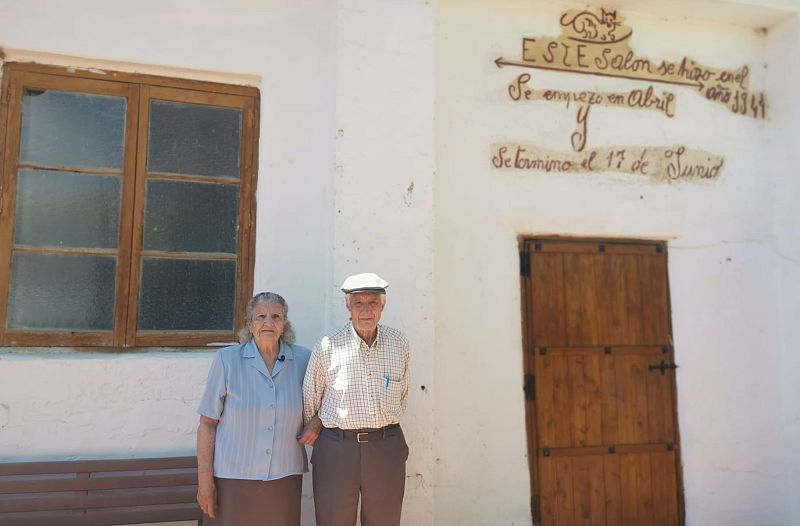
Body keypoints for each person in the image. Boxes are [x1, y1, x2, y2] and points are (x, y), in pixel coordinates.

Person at [298, 272, 410, 526]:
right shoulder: (328, 346)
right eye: (359, 303)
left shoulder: (399, 343)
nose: (366, 310)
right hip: (337, 449)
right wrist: (324, 428)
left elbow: (403, 395)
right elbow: (310, 401)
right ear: (348, 306)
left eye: (373, 303)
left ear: (383, 306)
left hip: (386, 447)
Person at [196, 292, 311, 525]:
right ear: (250, 324)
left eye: (276, 316)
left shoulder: (303, 360)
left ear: (284, 324)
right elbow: (207, 423)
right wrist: (204, 482)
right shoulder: (227, 360)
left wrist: (315, 425)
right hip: (231, 479)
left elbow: (321, 407)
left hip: (284, 477)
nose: (268, 322)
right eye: (260, 316)